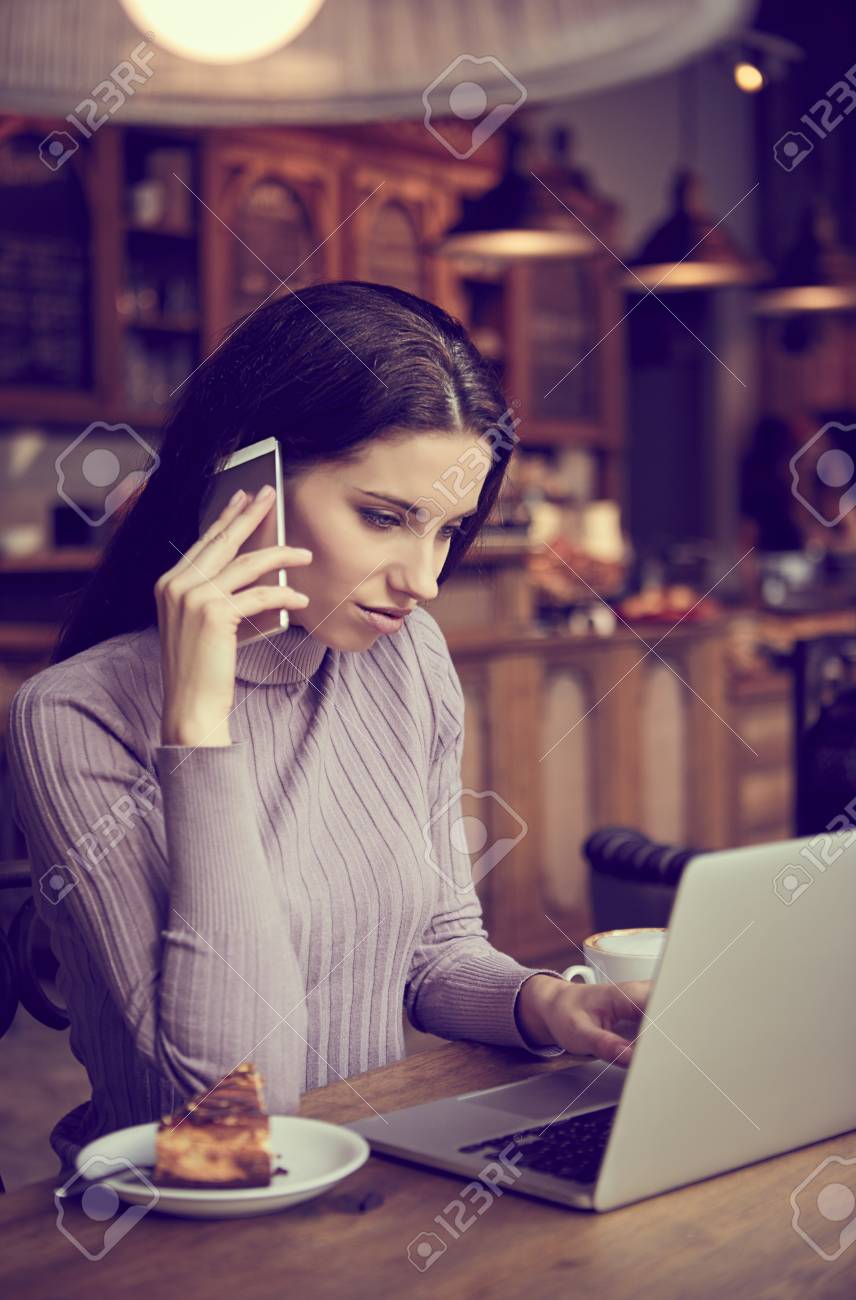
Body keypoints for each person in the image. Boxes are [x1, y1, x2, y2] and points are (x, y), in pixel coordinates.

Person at [8, 282, 649, 1171]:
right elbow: (228, 1119)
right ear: (246, 484)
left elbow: (433, 949)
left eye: (446, 531)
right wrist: (199, 726)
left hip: (367, 1179)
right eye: (384, 518)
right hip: (182, 1223)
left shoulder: (406, 656)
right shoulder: (75, 717)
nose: (422, 578)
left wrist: (545, 1004)